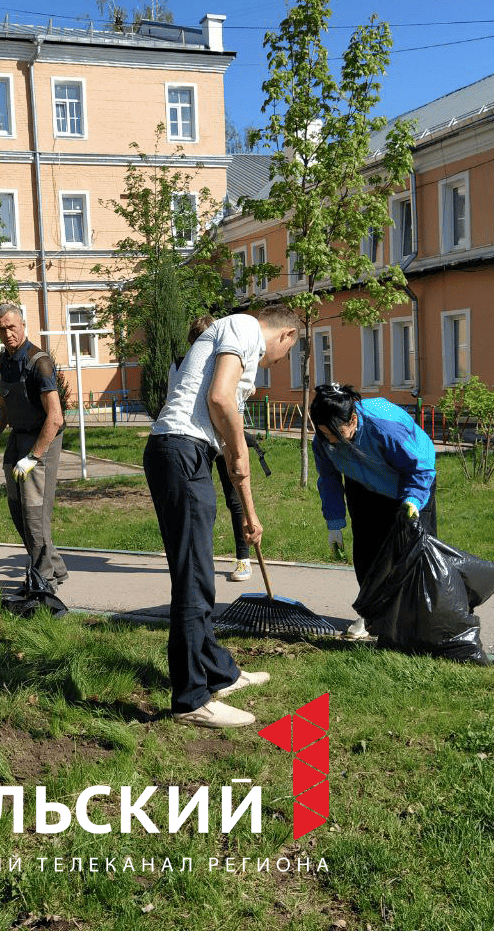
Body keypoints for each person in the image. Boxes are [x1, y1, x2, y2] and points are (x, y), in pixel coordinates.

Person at [145, 305, 300, 729]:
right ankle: (191, 700)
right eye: (287, 354)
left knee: (196, 574)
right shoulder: (245, 327)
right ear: (286, 335)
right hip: (181, 451)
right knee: (194, 578)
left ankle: (220, 673)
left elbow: (235, 460)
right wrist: (240, 446)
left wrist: (250, 513)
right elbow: (219, 398)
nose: (278, 362)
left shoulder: (235, 346)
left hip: (183, 453)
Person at [310, 383, 438, 639]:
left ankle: (421, 618)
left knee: (413, 551)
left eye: (335, 433)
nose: (330, 440)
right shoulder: (324, 441)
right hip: (362, 483)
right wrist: (334, 522)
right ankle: (372, 615)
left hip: (408, 482)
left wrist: (413, 500)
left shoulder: (384, 427)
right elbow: (329, 478)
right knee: (367, 553)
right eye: (324, 433)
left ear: (353, 420)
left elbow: (420, 466)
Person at [0, 303, 68, 592]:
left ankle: (43, 583)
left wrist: (34, 456)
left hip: (42, 439)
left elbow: (55, 418)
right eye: (1, 329)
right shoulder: (2, 362)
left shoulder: (39, 362)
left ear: (22, 325)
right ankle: (53, 568)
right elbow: (4, 406)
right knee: (18, 509)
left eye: (11, 327)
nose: (7, 333)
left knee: (34, 514)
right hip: (17, 438)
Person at [171, 315, 252, 583]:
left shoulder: (228, 362)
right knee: (202, 503)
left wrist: (237, 439)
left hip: (224, 440)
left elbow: (234, 401)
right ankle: (200, 562)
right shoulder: (181, 365)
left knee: (234, 498)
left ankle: (243, 558)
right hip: (197, 440)